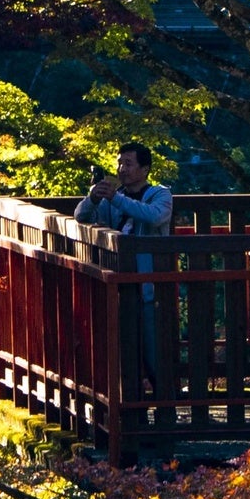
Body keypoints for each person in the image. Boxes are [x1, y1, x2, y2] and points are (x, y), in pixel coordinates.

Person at [74, 142, 176, 396]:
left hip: (150, 285)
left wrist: (115, 198)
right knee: (121, 351)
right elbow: (80, 216)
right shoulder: (113, 199)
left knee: (153, 350)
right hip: (116, 282)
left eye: (129, 164)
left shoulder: (160, 195)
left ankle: (166, 411)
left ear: (145, 169)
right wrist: (93, 197)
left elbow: (153, 216)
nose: (122, 169)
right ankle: (131, 411)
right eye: (120, 163)